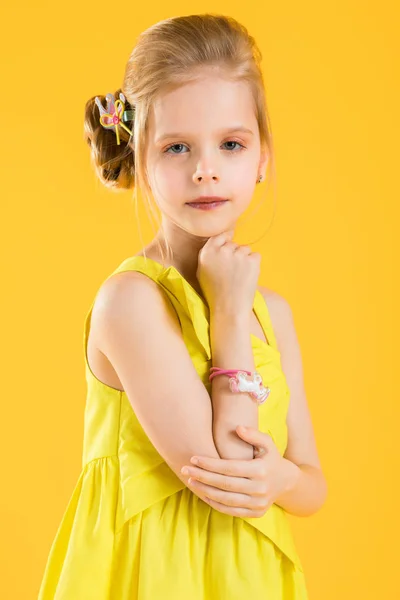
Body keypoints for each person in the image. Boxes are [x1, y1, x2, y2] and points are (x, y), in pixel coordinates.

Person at [38, 13, 327, 600]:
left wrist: (281, 479)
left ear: (262, 155)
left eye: (231, 143)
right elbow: (225, 466)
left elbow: (312, 484)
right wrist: (225, 312)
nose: (206, 168)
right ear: (141, 159)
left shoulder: (272, 312)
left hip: (248, 577)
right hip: (153, 575)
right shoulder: (131, 302)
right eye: (176, 147)